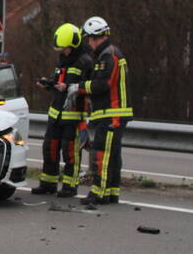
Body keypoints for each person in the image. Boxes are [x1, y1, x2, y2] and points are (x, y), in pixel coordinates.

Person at [76, 16, 133, 205]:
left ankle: (98, 193)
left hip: (111, 114)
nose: (88, 43)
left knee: (102, 152)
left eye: (89, 38)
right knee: (113, 154)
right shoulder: (109, 53)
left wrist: (79, 87)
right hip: (113, 113)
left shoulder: (108, 55)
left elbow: (102, 84)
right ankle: (111, 192)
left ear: (95, 37)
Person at [31, 23, 93, 197]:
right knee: (49, 148)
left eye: (65, 48)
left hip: (74, 116)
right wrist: (48, 83)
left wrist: (69, 87)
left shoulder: (85, 62)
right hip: (56, 114)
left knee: (70, 152)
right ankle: (48, 183)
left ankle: (69, 186)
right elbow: (59, 79)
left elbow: (89, 87)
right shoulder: (62, 60)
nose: (63, 51)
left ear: (73, 45)